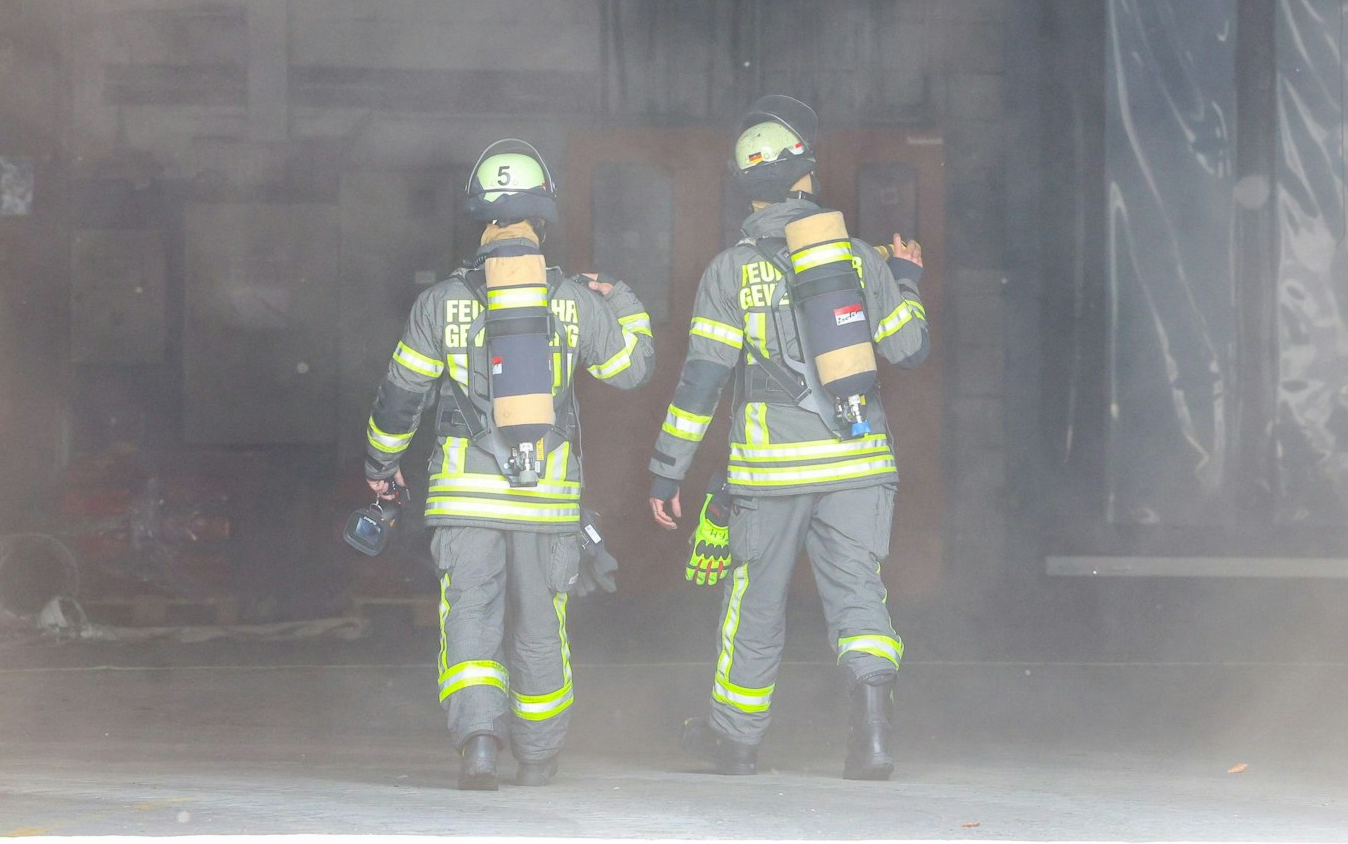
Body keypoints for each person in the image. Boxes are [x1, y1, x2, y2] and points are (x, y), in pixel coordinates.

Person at [646, 95, 929, 780]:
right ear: (807, 172)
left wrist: (667, 470)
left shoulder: (728, 272)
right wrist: (907, 280)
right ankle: (872, 741)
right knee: (859, 595)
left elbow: (702, 383)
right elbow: (911, 347)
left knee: (756, 603)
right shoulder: (859, 259)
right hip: (858, 460)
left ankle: (736, 741)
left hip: (771, 471)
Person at [363, 139, 656, 790]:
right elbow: (633, 368)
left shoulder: (440, 302)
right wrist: (625, 299)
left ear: (480, 217)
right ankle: (541, 753)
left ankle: (479, 744)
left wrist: (381, 463)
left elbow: (400, 396)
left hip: (467, 497)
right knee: (540, 624)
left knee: (471, 615)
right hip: (546, 500)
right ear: (541, 216)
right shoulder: (575, 301)